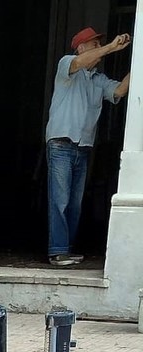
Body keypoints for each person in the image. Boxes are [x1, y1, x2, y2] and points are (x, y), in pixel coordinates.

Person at [45, 28, 131, 267]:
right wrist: (113, 47)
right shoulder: (68, 65)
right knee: (60, 200)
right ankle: (58, 251)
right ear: (81, 47)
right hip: (61, 142)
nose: (99, 50)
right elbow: (81, 62)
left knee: (74, 202)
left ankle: (66, 249)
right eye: (95, 45)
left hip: (82, 146)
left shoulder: (97, 79)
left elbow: (119, 90)